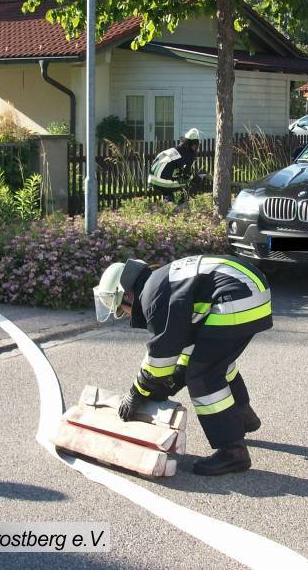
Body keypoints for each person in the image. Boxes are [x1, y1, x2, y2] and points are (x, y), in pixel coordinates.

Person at [92, 255, 272, 475]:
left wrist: (137, 391)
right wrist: (172, 380)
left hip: (237, 297)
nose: (124, 315)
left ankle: (233, 451)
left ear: (127, 295)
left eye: (121, 309)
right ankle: (243, 416)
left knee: (203, 376)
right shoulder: (160, 282)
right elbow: (187, 344)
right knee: (214, 362)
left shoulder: (153, 296)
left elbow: (161, 355)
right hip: (251, 289)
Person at [148, 128, 202, 202]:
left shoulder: (175, 150)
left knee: (173, 177)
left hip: (151, 180)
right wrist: (194, 177)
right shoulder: (189, 154)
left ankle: (167, 197)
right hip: (162, 181)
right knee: (188, 182)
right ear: (194, 145)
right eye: (195, 145)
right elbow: (186, 174)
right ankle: (181, 202)